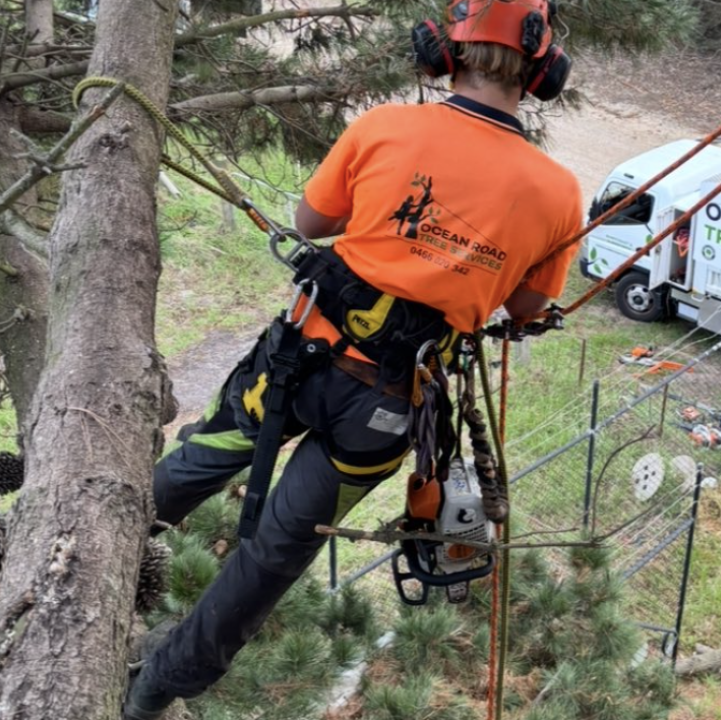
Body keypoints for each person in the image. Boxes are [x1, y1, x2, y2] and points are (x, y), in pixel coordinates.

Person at [123, 2, 580, 717]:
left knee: (198, 462)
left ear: (441, 54)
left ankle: (95, 554)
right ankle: (155, 690)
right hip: (386, 409)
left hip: (295, 364)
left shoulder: (384, 128)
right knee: (275, 554)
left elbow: (312, 223)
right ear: (543, 72)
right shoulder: (557, 193)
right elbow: (525, 309)